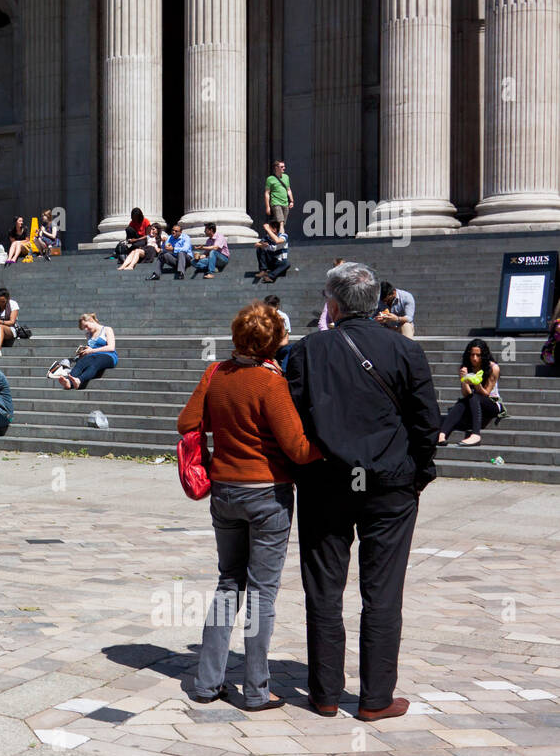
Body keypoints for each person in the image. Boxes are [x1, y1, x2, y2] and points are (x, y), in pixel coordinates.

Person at [286, 262, 441, 722]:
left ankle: (325, 694)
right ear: (377, 304)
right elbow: (426, 421)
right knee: (383, 592)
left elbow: (292, 420)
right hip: (390, 484)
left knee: (324, 590)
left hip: (327, 482)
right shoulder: (404, 349)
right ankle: (375, 698)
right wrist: (420, 473)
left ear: (331, 304)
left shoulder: (307, 351)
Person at [177, 301, 321, 710]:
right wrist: (329, 445)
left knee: (228, 584)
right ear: (272, 342)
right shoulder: (270, 383)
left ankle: (206, 683)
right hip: (267, 495)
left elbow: (186, 423)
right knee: (262, 595)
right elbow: (297, 447)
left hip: (224, 492)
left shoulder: (215, 373)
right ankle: (256, 689)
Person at [438, 339, 502, 447]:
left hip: (491, 403)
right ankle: (442, 434)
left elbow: (486, 393)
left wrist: (477, 384)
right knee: (463, 401)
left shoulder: (493, 368)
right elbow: (466, 394)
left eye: (478, 355)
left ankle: (476, 434)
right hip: (473, 402)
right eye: (472, 355)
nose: (474, 358)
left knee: (474, 397)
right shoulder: (466, 367)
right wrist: (464, 380)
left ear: (484, 355)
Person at [58, 314, 118, 390]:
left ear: (91, 321)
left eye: (86, 326)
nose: (86, 329)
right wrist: (84, 352)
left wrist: (92, 350)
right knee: (82, 362)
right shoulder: (88, 334)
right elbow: (91, 350)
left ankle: (79, 380)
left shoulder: (107, 329)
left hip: (108, 356)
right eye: (84, 328)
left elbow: (111, 347)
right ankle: (69, 382)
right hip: (93, 356)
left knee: (95, 362)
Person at [263, 159, 294, 242]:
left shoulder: (286, 177)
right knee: (281, 221)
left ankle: (272, 237)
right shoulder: (270, 179)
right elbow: (267, 193)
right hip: (275, 202)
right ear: (276, 168)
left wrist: (291, 201)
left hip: (285, 203)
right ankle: (281, 239)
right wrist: (267, 207)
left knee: (281, 223)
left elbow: (288, 189)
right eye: (282, 167)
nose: (284, 168)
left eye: (284, 166)